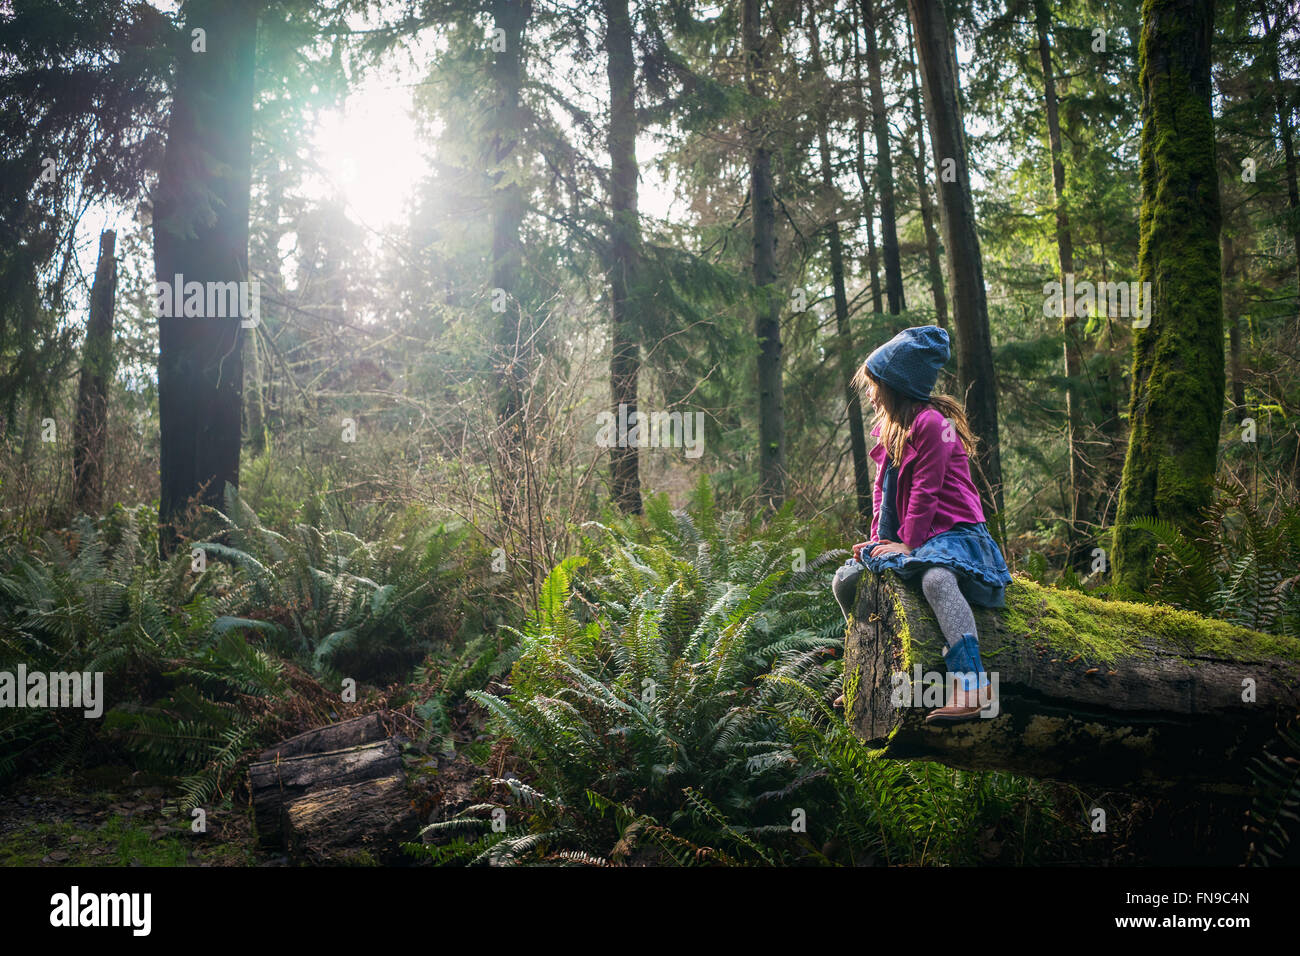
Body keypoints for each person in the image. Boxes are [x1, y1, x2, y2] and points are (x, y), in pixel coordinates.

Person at [831, 325, 1011, 723]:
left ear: (896, 384)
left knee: (936, 581)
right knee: (845, 580)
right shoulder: (889, 429)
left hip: (953, 531)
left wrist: (908, 546)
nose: (870, 391)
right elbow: (883, 492)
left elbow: (926, 491)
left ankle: (975, 686)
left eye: (875, 383)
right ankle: (862, 679)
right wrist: (879, 540)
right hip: (915, 536)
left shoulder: (932, 424)